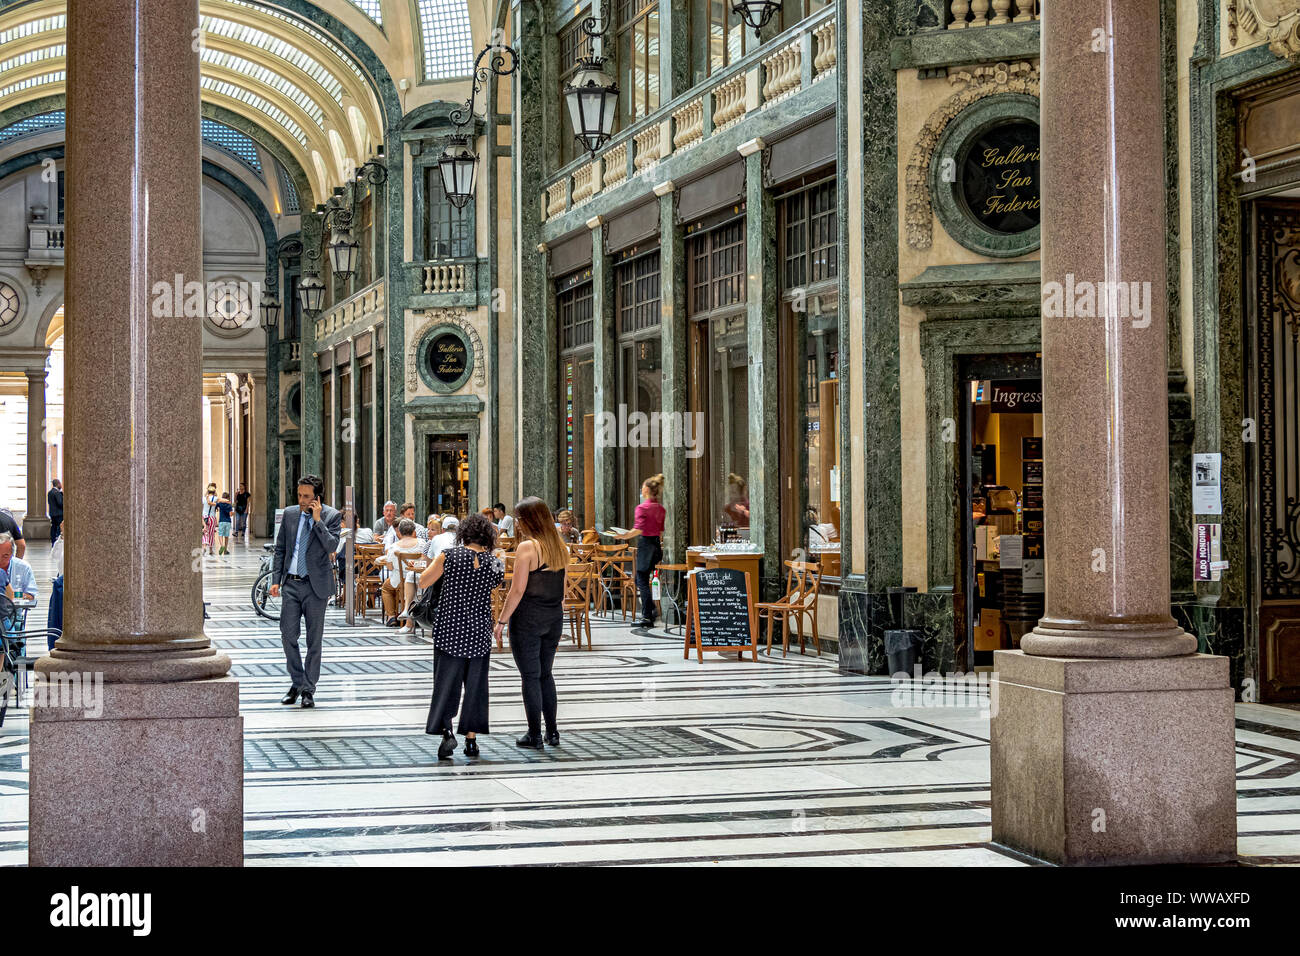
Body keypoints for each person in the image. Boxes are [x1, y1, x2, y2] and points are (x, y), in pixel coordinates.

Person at [419, 513, 504, 760]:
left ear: (463, 533)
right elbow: (495, 584)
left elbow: (424, 581)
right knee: (476, 686)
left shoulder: (449, 555)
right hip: (478, 630)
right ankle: (471, 740)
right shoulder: (494, 562)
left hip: (450, 630)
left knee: (446, 683)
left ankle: (447, 730)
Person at [495, 498, 566, 749]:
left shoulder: (528, 548)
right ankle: (553, 732)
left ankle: (534, 734)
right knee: (546, 674)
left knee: (530, 676)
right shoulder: (560, 545)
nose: (516, 522)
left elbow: (516, 591)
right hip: (553, 617)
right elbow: (563, 589)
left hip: (528, 619)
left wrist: (501, 621)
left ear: (528, 520)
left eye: (518, 518)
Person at [270, 475, 341, 708]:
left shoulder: (331, 516)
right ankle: (298, 681)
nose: (301, 500)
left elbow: (332, 547)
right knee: (288, 635)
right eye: (299, 495)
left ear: (317, 498)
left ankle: (308, 689)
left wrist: (317, 521)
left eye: (306, 496)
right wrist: (275, 580)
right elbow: (280, 548)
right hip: (291, 584)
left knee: (314, 641)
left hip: (315, 586)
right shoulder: (290, 514)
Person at [615, 474, 666, 628]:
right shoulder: (660, 509)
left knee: (641, 580)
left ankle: (647, 615)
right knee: (642, 579)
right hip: (656, 545)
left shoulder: (642, 508)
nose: (641, 489)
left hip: (646, 545)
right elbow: (661, 531)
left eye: (643, 486)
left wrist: (623, 536)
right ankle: (651, 610)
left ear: (647, 490)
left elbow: (638, 529)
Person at [379, 517, 423, 629]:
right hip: (419, 579)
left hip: (399, 580)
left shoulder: (394, 547)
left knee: (386, 588)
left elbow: (389, 566)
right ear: (414, 531)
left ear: (400, 532)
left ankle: (391, 616)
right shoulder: (422, 543)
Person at [0, 532, 37, 603]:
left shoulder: (23, 567)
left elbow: (31, 595)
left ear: (12, 554)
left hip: (14, 612)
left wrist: (12, 594)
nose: (0, 560)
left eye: (5, 556)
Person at [202, 482, 219, 555]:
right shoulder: (216, 498)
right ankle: (211, 550)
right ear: (214, 491)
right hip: (212, 517)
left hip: (204, 516)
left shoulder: (204, 498)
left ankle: (204, 547)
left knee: (205, 532)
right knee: (211, 533)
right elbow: (218, 506)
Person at [48, 478, 63, 543]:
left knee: (53, 527)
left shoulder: (50, 492)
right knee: (59, 527)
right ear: (58, 484)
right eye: (60, 484)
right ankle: (59, 541)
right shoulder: (57, 492)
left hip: (52, 513)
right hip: (59, 513)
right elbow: (60, 503)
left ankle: (53, 540)